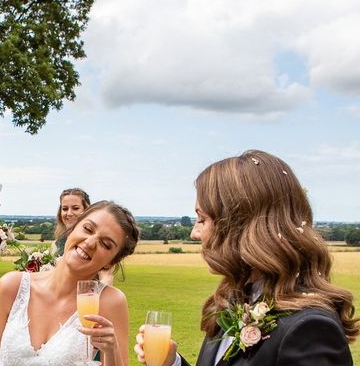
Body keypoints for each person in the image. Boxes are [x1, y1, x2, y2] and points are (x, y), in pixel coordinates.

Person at [134, 150, 359, 366]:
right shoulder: (236, 298)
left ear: (240, 225)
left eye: (202, 219)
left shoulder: (311, 329)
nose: (194, 233)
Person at [0, 200, 140, 366]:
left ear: (110, 262)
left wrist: (112, 350)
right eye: (88, 229)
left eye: (105, 244)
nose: (89, 243)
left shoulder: (110, 302)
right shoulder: (11, 286)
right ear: (73, 229)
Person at [52, 188, 91, 256]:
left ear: (86, 210)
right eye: (65, 209)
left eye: (75, 208)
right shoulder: (56, 244)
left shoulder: (92, 243)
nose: (69, 213)